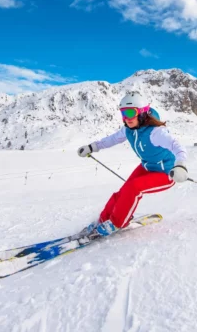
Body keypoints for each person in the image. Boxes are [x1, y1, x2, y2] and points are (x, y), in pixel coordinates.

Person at [77, 92, 188, 237]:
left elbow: (178, 147)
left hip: (166, 172)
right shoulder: (128, 129)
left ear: (142, 113)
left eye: (130, 112)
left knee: (133, 187)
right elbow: (112, 139)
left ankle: (117, 223)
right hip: (147, 167)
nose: (127, 118)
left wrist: (180, 166)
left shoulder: (156, 132)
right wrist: (92, 147)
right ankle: (103, 219)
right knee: (122, 192)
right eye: (123, 113)